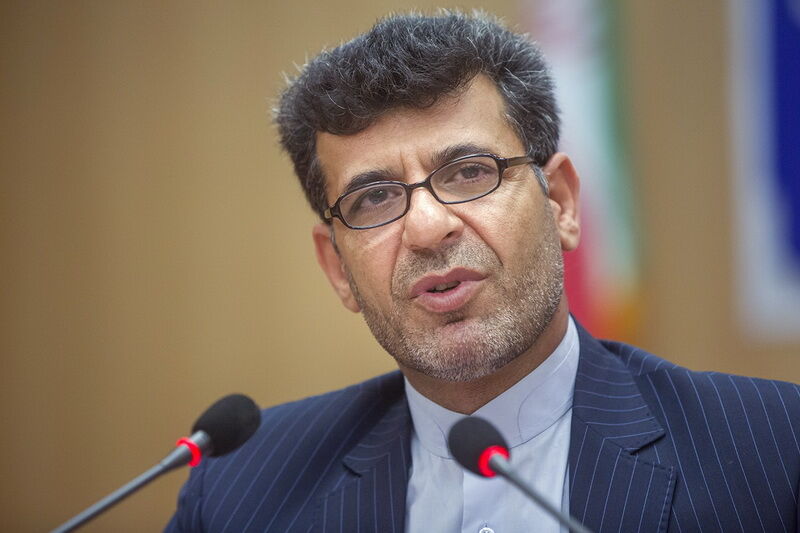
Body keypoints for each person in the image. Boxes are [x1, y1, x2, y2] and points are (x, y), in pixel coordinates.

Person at [166, 11, 800, 532]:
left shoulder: (775, 450)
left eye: (470, 172)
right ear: (337, 267)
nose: (426, 227)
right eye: (374, 198)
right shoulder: (239, 491)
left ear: (561, 204)